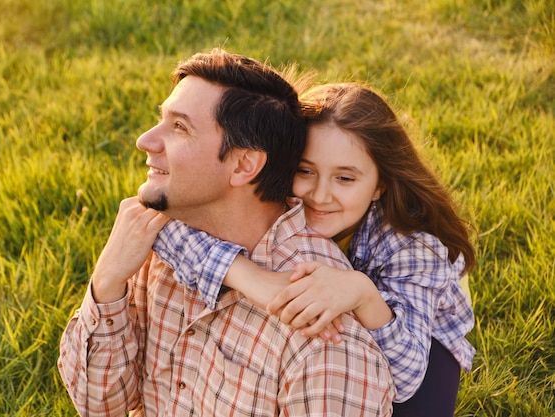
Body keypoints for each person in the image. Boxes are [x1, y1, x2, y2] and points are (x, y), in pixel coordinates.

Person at [57, 50, 395, 417]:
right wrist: (108, 281)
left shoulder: (321, 335)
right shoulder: (157, 239)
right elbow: (98, 405)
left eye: (180, 127)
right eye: (161, 119)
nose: (145, 140)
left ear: (243, 165)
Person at [152, 82, 476, 417]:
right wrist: (248, 276)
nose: (320, 195)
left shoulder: (412, 246)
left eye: (345, 179)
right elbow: (163, 221)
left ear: (379, 186)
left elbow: (408, 376)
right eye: (305, 171)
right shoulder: (276, 192)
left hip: (416, 330)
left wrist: (362, 294)